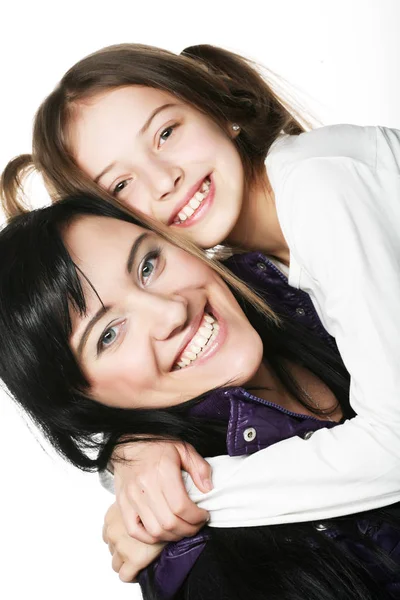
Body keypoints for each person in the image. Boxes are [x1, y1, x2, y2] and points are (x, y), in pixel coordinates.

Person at [2, 43, 400, 544]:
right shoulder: (251, 274)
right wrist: (132, 454)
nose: (165, 180)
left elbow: (394, 444)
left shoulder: (321, 185)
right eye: (122, 185)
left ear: (216, 108)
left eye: (166, 133)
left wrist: (179, 502)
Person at [0, 194, 399, 599]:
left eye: (148, 266)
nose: (171, 313)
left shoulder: (308, 267)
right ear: (80, 403)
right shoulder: (201, 567)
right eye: (109, 334)